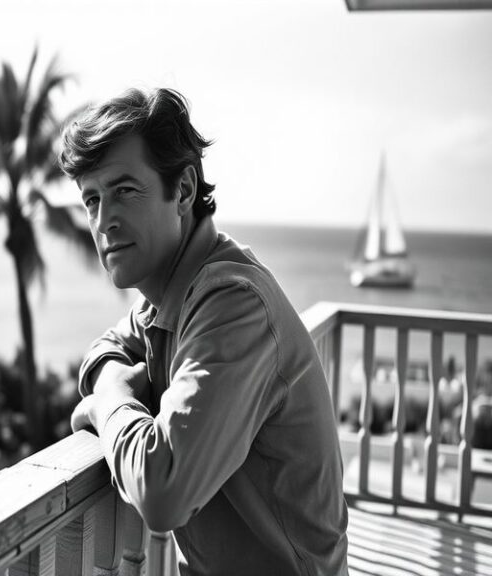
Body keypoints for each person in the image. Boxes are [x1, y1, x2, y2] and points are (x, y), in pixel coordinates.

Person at [59, 87, 348, 576]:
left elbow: (164, 492)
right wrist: (113, 379)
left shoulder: (231, 301)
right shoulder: (170, 295)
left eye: (125, 190)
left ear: (185, 190)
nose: (104, 221)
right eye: (92, 199)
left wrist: (108, 400)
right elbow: (103, 350)